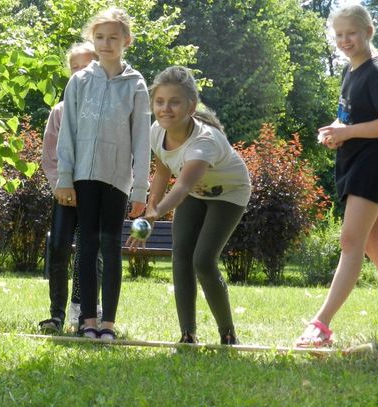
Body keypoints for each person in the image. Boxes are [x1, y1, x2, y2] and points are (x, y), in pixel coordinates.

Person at [296, 4, 378, 347]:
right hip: (358, 162)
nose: (345, 40)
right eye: (340, 35)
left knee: (350, 242)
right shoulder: (351, 72)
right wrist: (335, 132)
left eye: (352, 33)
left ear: (368, 33)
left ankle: (321, 324)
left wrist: (347, 134)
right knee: (376, 246)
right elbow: (350, 120)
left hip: (375, 165)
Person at [127, 66, 251, 345]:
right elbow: (161, 173)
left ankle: (228, 334)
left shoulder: (204, 141)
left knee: (204, 260)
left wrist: (156, 212)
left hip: (228, 193)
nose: (165, 108)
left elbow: (181, 186)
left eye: (174, 102)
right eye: (159, 102)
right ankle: (187, 334)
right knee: (181, 256)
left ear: (190, 106)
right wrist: (151, 209)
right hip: (195, 194)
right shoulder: (157, 132)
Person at [55, 7, 151, 340]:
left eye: (113, 37)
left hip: (117, 179)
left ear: (127, 40)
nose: (106, 43)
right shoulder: (79, 81)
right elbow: (67, 133)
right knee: (86, 245)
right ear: (91, 40)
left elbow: (141, 138)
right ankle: (87, 320)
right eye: (99, 37)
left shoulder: (136, 84)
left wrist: (141, 188)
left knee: (110, 247)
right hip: (82, 175)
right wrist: (64, 177)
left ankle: (107, 322)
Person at [39, 42, 103, 333]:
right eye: (74, 68)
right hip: (65, 192)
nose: (80, 73)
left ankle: (84, 309)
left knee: (90, 251)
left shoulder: (107, 109)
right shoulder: (59, 111)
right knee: (59, 246)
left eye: (87, 67)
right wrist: (59, 186)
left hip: (95, 192)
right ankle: (56, 314)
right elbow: (49, 156)